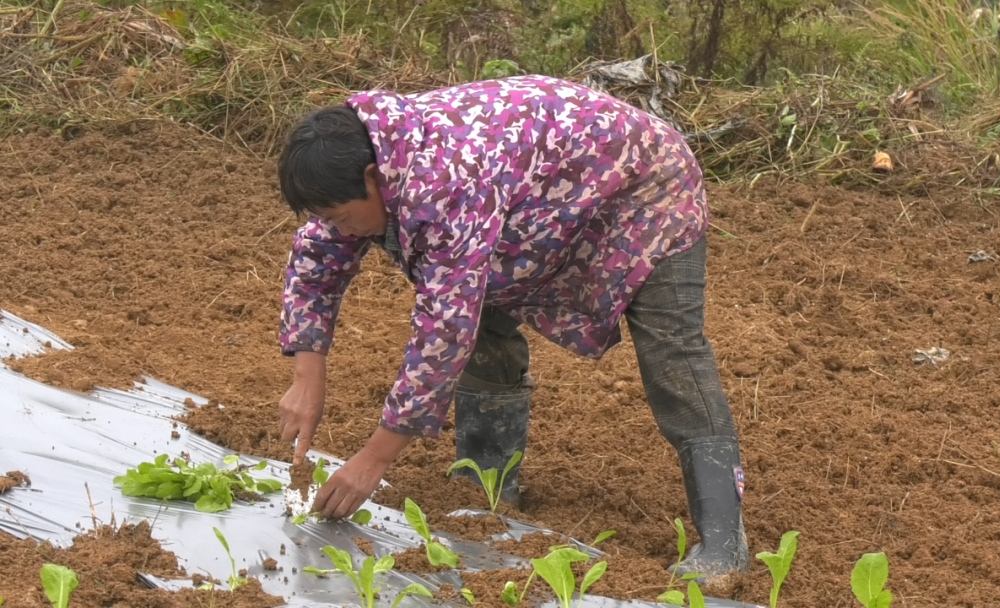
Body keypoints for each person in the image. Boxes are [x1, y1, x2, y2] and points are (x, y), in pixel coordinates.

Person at [275, 75, 748, 580]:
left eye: (344, 216)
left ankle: (723, 541)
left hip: (647, 190)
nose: (341, 229)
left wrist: (373, 459)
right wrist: (307, 380)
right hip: (542, 203)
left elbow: (444, 330)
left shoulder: (444, 181)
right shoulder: (366, 159)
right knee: (479, 314)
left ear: (374, 178)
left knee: (672, 352)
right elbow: (316, 262)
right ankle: (486, 489)